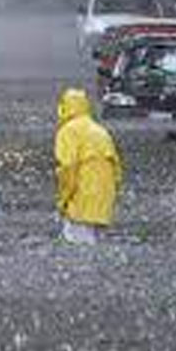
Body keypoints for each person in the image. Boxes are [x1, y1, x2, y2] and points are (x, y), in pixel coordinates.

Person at [55, 89, 123, 245]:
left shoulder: (68, 131)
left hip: (81, 196)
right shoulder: (99, 130)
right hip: (104, 197)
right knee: (94, 242)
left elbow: (67, 167)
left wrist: (63, 199)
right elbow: (117, 170)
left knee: (75, 245)